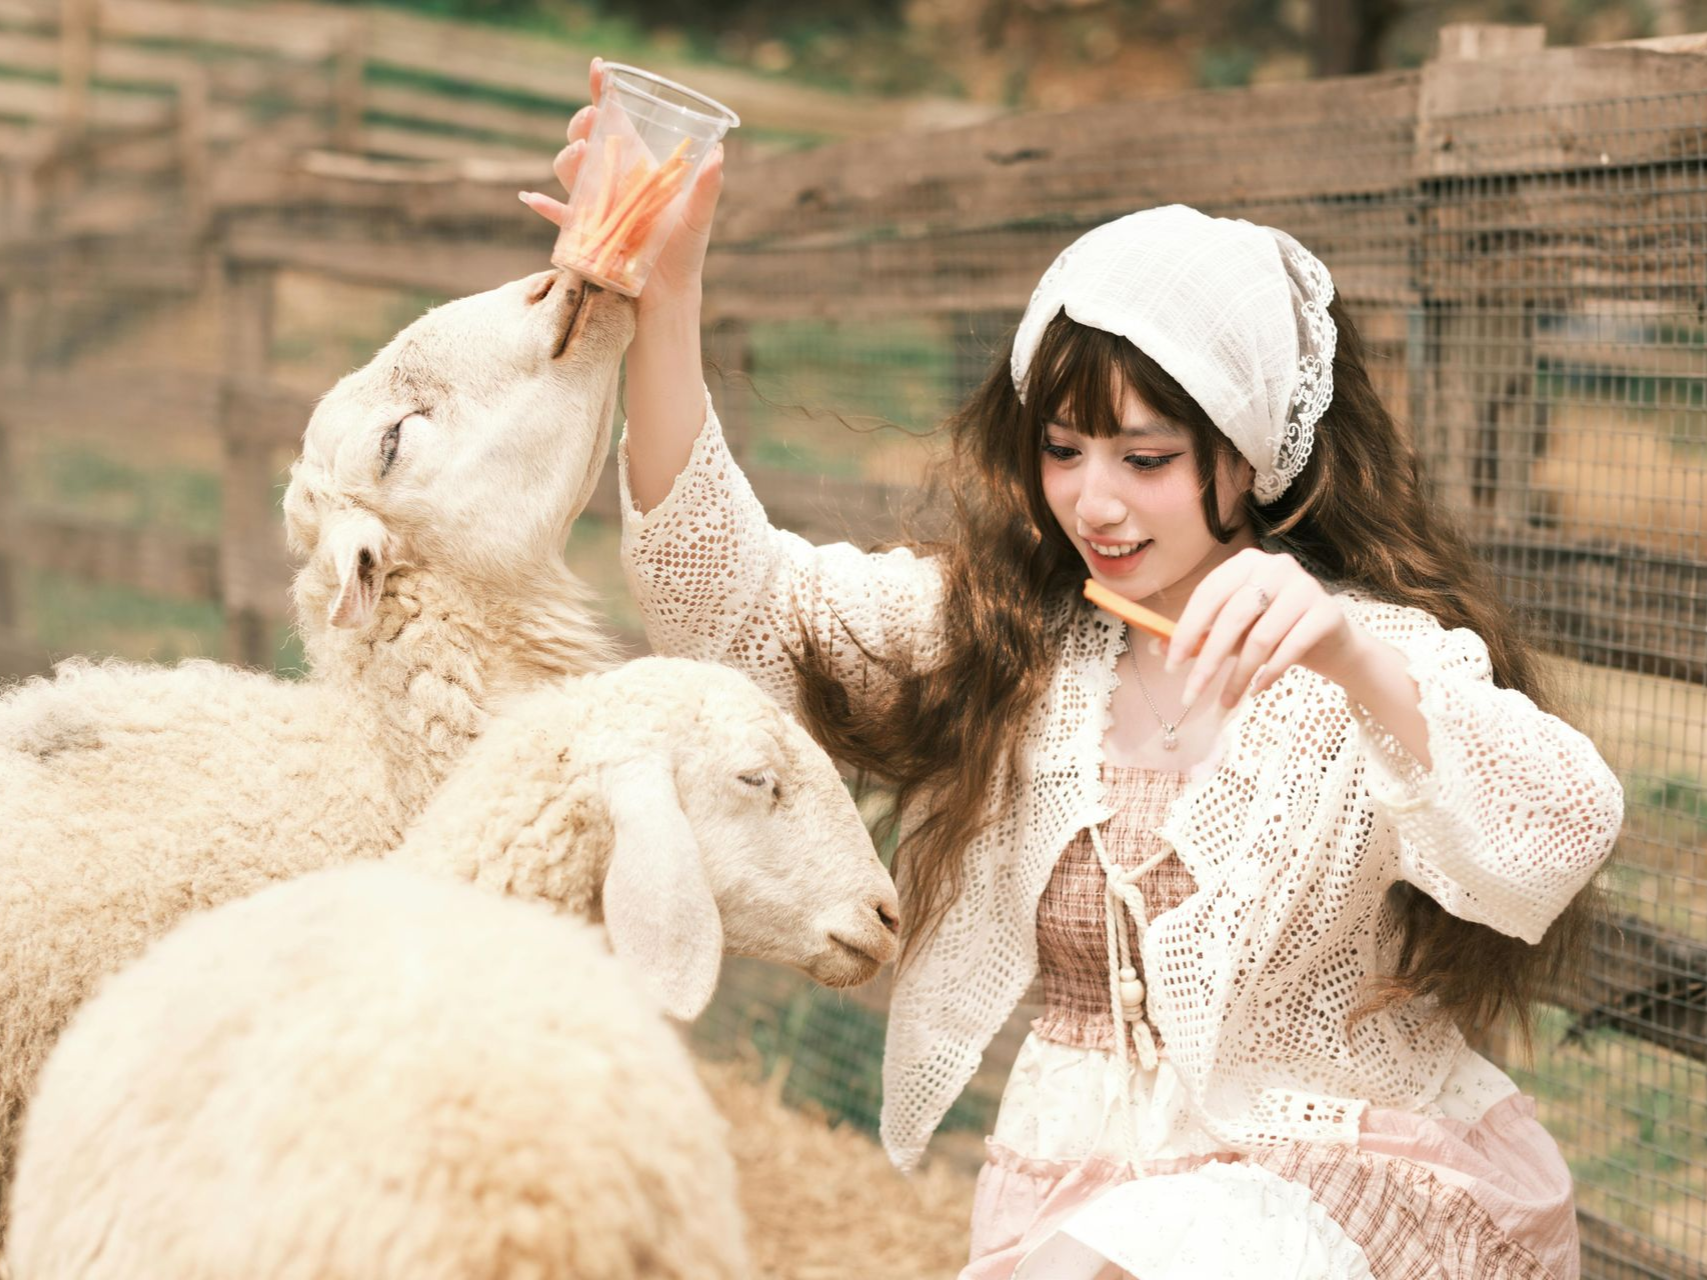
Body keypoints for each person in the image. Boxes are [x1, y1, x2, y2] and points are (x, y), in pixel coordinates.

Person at [524, 63, 1623, 1280]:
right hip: (1078, 1198)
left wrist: (1350, 653)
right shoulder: (1018, 637)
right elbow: (727, 594)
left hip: (1346, 1187)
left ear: (1251, 454)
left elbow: (1562, 828)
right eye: (1063, 448)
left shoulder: (1354, 651)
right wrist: (669, 292)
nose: (1093, 500)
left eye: (1147, 456)